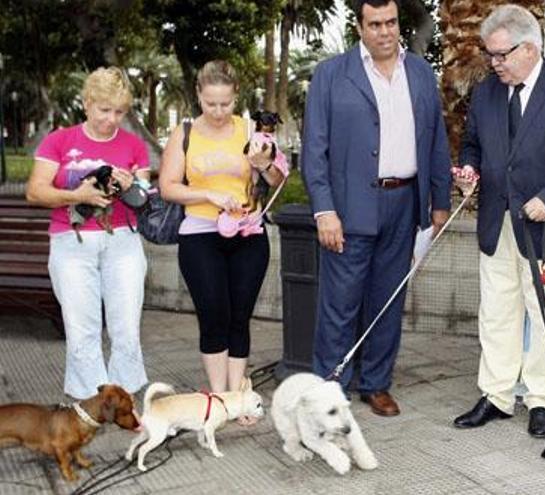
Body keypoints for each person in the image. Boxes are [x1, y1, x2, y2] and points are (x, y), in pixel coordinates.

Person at [452, 4, 545, 438]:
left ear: (531, 46)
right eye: (491, 55)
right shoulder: (486, 92)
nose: (495, 63)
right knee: (497, 312)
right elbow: (472, 144)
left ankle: (542, 399)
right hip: (496, 222)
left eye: (502, 54)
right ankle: (497, 395)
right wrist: (469, 171)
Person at [300, 0, 451, 417]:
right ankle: (329, 387)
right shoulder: (332, 74)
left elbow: (436, 140)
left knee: (388, 300)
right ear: (360, 27)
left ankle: (376, 383)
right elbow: (314, 151)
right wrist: (324, 210)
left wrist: (440, 202)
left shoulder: (420, 72)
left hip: (406, 204)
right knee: (339, 304)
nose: (385, 32)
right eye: (375, 24)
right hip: (348, 210)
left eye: (391, 23)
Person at [159, 60, 286, 424]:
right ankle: (218, 399)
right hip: (201, 234)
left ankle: (238, 397)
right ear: (198, 95)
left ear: (236, 98)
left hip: (248, 233)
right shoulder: (184, 132)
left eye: (225, 104)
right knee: (214, 316)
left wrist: (263, 163)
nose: (217, 111)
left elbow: (278, 179)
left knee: (239, 317)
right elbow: (168, 187)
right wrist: (209, 195)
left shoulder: (251, 128)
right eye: (210, 103)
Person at [25, 67, 150, 399]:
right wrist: (77, 195)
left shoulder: (134, 145)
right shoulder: (60, 140)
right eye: (104, 110)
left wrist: (131, 185)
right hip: (71, 241)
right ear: (87, 103)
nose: (111, 119)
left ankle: (122, 399)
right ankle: (90, 401)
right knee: (82, 328)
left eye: (120, 112)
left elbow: (144, 198)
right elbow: (35, 192)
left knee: (126, 327)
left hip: (122, 240)